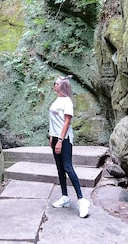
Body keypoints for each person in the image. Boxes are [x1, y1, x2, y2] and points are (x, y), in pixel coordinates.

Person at [48, 75, 90, 218]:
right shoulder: (57, 100)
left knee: (67, 167)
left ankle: (82, 200)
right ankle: (65, 197)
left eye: (56, 83)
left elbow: (66, 122)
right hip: (55, 138)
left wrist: (60, 140)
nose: (54, 85)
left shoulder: (67, 101)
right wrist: (52, 137)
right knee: (60, 168)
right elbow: (55, 121)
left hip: (64, 139)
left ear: (61, 86)